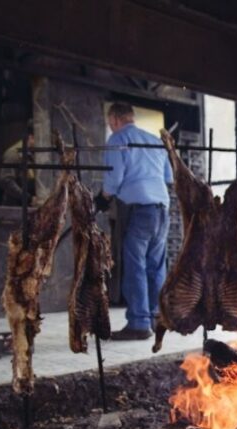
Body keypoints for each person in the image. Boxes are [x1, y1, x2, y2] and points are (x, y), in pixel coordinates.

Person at [101, 102, 173, 340]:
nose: (111, 127)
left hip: (138, 209)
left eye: (110, 123)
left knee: (135, 265)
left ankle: (139, 324)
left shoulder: (118, 139)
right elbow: (168, 178)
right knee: (156, 265)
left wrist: (102, 198)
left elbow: (114, 177)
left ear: (114, 119)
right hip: (162, 208)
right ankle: (156, 317)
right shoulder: (154, 140)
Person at [0, 132, 35, 206]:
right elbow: (6, 181)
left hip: (27, 205)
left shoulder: (32, 154)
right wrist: (28, 198)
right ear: (31, 137)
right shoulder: (14, 154)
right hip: (16, 207)